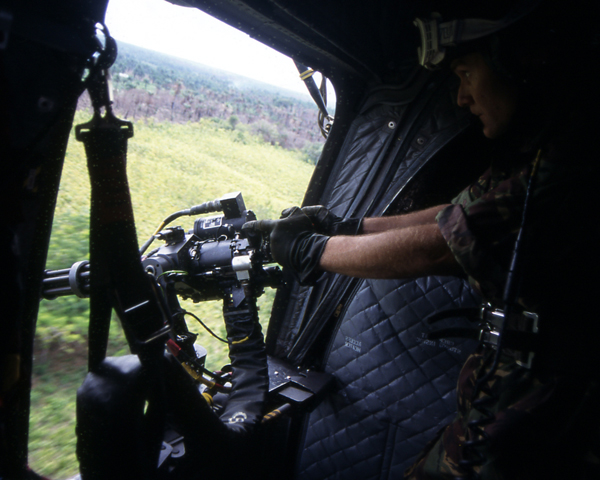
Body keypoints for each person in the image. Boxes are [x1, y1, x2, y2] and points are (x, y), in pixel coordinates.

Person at [245, 2, 600, 478]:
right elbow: (452, 214)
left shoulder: (576, 155)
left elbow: (443, 244)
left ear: (517, 62)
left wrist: (312, 251)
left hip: (559, 404)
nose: (460, 97)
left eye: (465, 73)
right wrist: (343, 226)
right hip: (512, 390)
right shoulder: (531, 151)